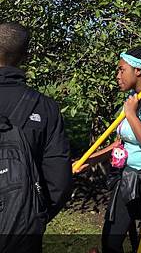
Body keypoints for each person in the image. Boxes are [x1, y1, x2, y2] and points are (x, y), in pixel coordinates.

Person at [75, 45, 141, 253]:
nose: (117, 75)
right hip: (127, 177)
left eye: (121, 69)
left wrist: (132, 114)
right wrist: (88, 161)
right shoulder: (131, 100)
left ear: (138, 71)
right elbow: (119, 144)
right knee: (111, 240)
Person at [0, 22, 72, 251]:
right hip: (22, 229)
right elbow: (58, 181)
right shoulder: (45, 108)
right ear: (26, 57)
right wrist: (35, 217)